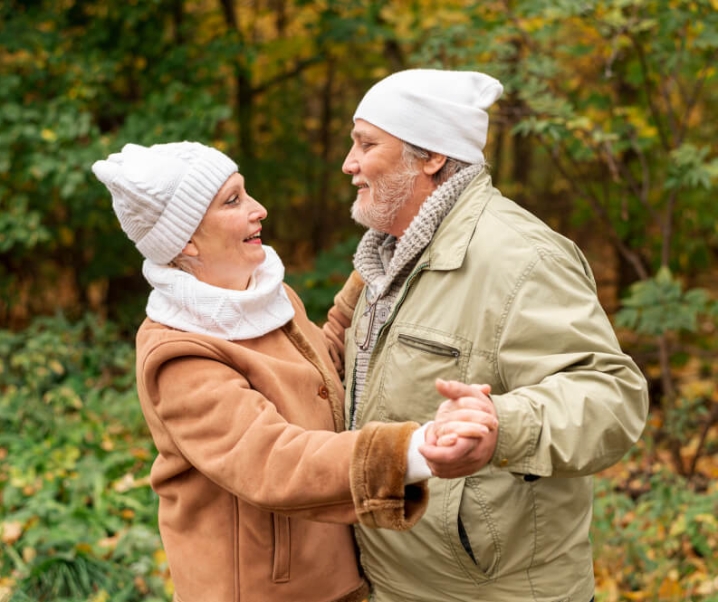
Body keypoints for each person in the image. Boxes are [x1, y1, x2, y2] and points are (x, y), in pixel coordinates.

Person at [92, 141, 497, 602]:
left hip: (330, 571)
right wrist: (413, 450)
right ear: (185, 237)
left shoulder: (263, 294)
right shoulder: (179, 354)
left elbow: (314, 372)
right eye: (233, 201)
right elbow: (271, 460)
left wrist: (376, 274)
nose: (259, 209)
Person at [341, 69, 650, 602]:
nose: (349, 163)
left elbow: (611, 396)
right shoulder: (386, 258)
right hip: (393, 583)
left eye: (366, 144)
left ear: (432, 156)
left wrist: (501, 428)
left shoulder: (522, 258)